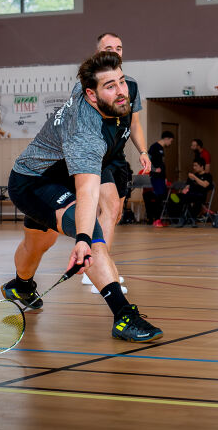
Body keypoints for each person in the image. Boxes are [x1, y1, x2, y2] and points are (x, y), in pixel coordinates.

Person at [3, 50, 162, 342]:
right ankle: (124, 316)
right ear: (91, 94)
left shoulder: (105, 91)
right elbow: (86, 190)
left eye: (121, 81)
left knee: (38, 241)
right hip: (33, 182)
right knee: (89, 229)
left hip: (61, 177)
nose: (121, 91)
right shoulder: (85, 132)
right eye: (110, 86)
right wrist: (83, 240)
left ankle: (20, 286)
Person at [80, 33, 151, 289]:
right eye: (109, 47)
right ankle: (98, 272)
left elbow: (135, 123)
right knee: (109, 208)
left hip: (117, 156)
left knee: (115, 212)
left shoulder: (130, 85)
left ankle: (96, 264)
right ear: (97, 53)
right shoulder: (87, 86)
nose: (115, 51)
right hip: (96, 155)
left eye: (119, 47)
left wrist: (143, 151)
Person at [145, 131, 174, 225]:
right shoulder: (154, 147)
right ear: (166, 138)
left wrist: (165, 177)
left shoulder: (161, 148)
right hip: (156, 177)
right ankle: (156, 219)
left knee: (162, 197)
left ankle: (159, 219)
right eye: (170, 141)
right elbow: (147, 159)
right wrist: (153, 169)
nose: (170, 143)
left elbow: (162, 164)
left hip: (161, 177)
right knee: (158, 196)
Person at [175, 157, 213, 227]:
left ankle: (189, 218)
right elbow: (187, 186)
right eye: (193, 165)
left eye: (196, 166)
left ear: (202, 166)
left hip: (201, 195)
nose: (194, 167)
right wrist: (184, 190)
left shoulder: (208, 176)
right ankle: (184, 217)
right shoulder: (192, 176)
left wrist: (195, 178)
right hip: (190, 194)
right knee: (176, 198)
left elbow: (205, 185)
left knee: (196, 201)